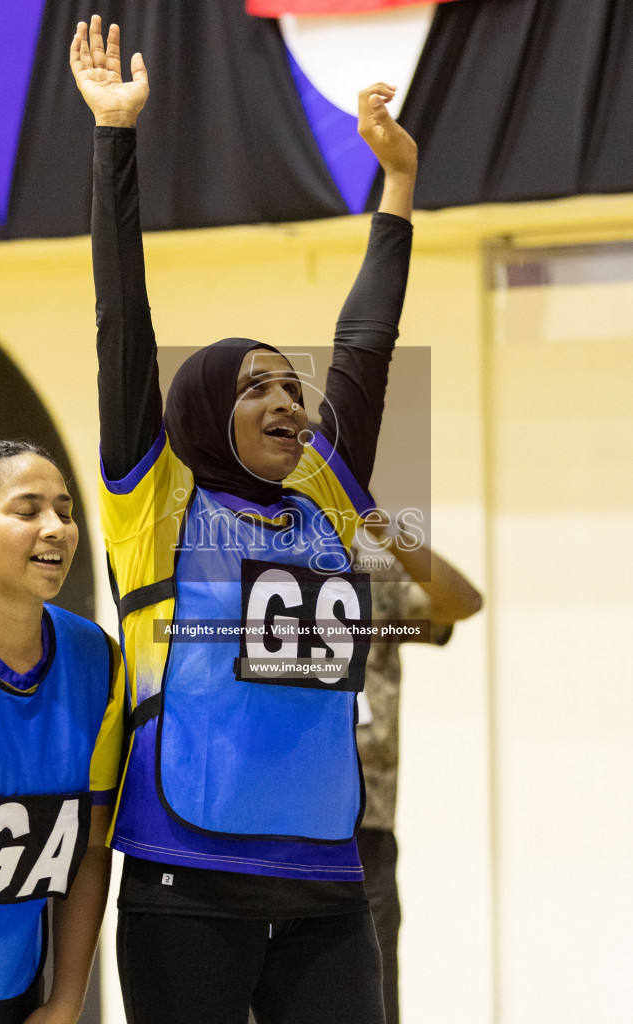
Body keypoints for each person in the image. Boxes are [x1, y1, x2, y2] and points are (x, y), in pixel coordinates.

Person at [71, 15, 418, 1024]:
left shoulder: (324, 488)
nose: (287, 401)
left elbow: (368, 339)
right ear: (196, 409)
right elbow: (119, 323)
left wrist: (396, 186)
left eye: (292, 385)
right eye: (255, 385)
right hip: (187, 887)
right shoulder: (156, 498)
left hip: (327, 886)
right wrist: (114, 139)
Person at [0, 440, 124, 1024]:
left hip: (14, 989)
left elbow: (92, 847)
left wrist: (67, 1000)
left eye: (66, 511)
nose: (56, 528)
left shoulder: (97, 658)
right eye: (27, 511)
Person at [353, 526, 482, 1024]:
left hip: (367, 826)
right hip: (279, 824)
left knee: (372, 1001)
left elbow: (462, 603)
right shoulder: (257, 577)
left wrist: (390, 534)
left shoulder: (375, 579)